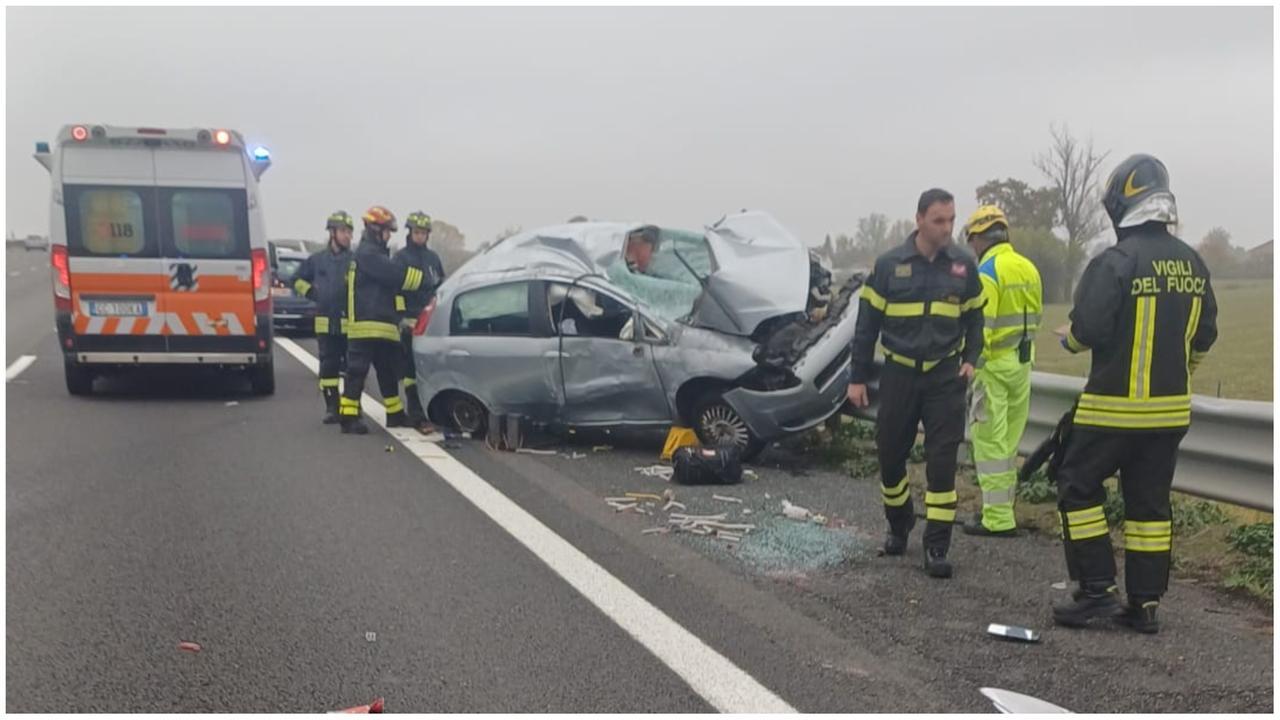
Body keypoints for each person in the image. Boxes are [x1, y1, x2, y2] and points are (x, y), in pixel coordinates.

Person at [1050, 154, 1217, 634]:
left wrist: (1070, 339)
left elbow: (1091, 328)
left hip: (1112, 411)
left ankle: (1096, 590)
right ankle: (1144, 606)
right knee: (1149, 507)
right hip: (1168, 416)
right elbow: (1205, 335)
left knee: (1077, 486)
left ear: (1123, 204)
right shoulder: (1193, 262)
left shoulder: (1115, 262)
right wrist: (1180, 373)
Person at [847, 188, 985, 578]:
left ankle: (937, 546)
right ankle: (899, 523)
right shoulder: (889, 265)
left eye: (952, 220)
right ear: (920, 219)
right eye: (939, 220)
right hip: (900, 375)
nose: (947, 228)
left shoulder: (963, 265)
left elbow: (975, 317)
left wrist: (970, 359)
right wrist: (857, 377)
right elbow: (866, 324)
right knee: (891, 457)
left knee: (942, 465)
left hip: (944, 378)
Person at [961, 205, 1043, 537]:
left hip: (992, 368)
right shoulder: (1028, 268)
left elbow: (983, 328)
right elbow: (1036, 317)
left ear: (980, 237)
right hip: (1021, 365)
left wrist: (970, 367)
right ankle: (1002, 507)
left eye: (972, 240)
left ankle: (996, 519)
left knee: (989, 445)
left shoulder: (987, 272)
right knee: (1008, 444)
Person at [338, 206, 426, 435]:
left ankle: (395, 413)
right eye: (387, 231)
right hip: (366, 325)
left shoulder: (374, 253)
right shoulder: (368, 254)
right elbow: (395, 275)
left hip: (382, 325)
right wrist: (423, 279)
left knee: (387, 372)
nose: (388, 236)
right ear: (375, 229)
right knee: (357, 371)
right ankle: (348, 417)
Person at [293, 210, 355, 423]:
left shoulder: (355, 261)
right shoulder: (317, 260)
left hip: (350, 325)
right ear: (332, 233)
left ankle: (351, 406)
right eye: (343, 231)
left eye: (350, 232)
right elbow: (296, 279)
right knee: (328, 369)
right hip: (325, 324)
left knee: (352, 369)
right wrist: (311, 292)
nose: (347, 236)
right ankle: (331, 407)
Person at [393, 211, 445, 434]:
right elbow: (394, 290)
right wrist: (401, 318)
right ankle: (416, 415)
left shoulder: (433, 259)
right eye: (416, 232)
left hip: (430, 325)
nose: (420, 236)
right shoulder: (401, 259)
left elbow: (440, 287)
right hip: (408, 324)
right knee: (410, 373)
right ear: (410, 232)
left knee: (430, 371)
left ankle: (432, 412)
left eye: (423, 233)